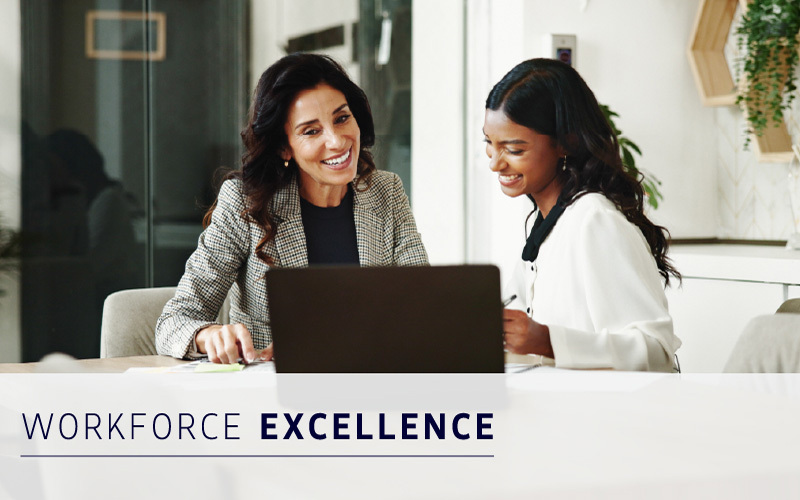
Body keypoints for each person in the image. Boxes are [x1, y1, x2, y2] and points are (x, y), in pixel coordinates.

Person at [156, 53, 428, 364]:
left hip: (369, 391)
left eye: (342, 118)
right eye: (311, 131)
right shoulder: (244, 204)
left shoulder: (386, 191)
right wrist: (210, 336)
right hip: (273, 403)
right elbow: (174, 321)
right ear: (284, 147)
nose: (337, 142)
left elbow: (420, 309)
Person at [484, 58, 681, 372]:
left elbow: (655, 351)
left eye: (514, 149)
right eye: (490, 144)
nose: (495, 163)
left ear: (565, 143)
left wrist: (546, 340)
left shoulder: (594, 221)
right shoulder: (546, 224)